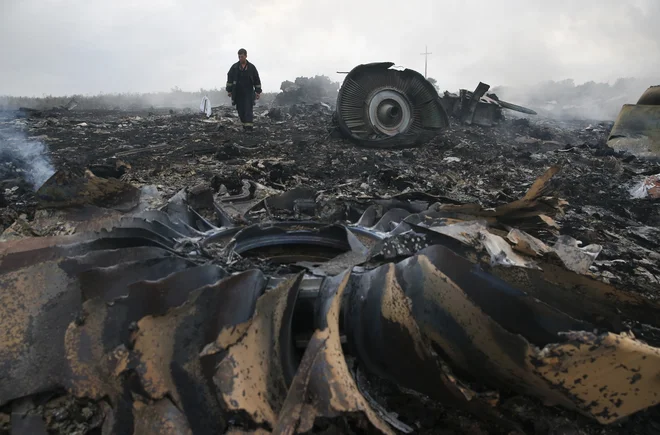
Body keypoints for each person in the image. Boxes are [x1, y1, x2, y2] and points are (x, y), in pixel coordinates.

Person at [226, 48, 262, 131]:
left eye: (242, 57)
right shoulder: (234, 67)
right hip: (238, 93)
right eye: (239, 57)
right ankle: (244, 125)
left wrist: (258, 91)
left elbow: (257, 80)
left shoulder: (251, 68)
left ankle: (249, 128)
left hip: (248, 92)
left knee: (248, 109)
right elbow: (230, 80)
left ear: (246, 56)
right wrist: (229, 90)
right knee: (240, 110)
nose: (240, 58)